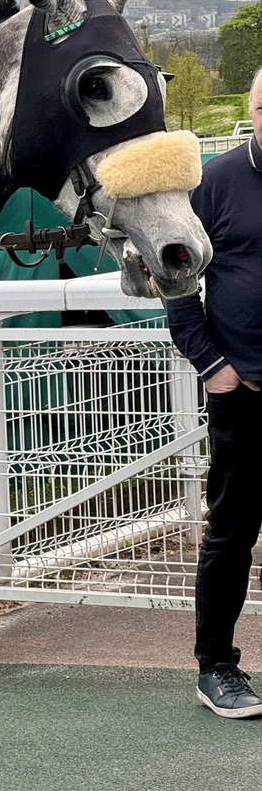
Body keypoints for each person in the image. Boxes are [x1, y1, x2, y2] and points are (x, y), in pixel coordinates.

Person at [165, 67, 262, 719]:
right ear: (253, 109)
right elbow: (173, 278)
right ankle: (216, 667)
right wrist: (211, 365)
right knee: (231, 534)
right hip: (243, 392)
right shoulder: (214, 182)